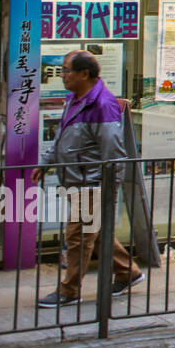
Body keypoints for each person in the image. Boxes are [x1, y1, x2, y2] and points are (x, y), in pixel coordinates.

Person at [33, 50, 143, 308]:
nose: (62, 75)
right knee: (97, 232)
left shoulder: (102, 105)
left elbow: (114, 154)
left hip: (92, 184)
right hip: (78, 181)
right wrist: (46, 162)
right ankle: (129, 272)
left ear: (84, 74)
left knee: (78, 237)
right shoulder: (75, 99)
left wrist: (108, 193)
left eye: (66, 70)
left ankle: (69, 290)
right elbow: (62, 137)